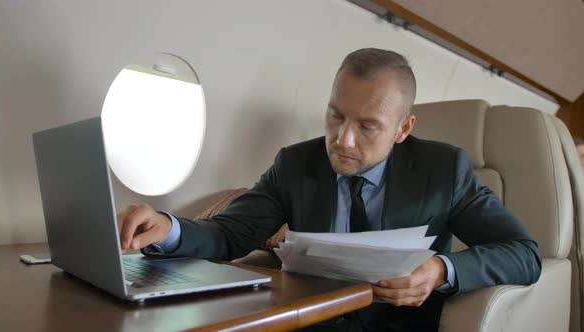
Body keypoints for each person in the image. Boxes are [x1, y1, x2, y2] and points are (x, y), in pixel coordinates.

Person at [117, 48, 541, 331]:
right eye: (336, 116)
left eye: (368, 126)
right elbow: (231, 233)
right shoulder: (295, 163)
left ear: (402, 129)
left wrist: (441, 272)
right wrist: (167, 227)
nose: (343, 140)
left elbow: (523, 252)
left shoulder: (443, 170)